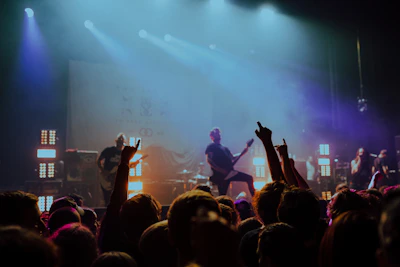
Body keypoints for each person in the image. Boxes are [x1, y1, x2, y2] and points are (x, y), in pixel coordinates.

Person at [205, 127, 255, 197]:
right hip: (220, 175)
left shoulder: (224, 148)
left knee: (249, 178)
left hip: (230, 173)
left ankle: (255, 198)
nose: (218, 134)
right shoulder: (211, 146)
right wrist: (220, 170)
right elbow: (209, 160)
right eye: (216, 133)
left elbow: (233, 158)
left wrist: (243, 151)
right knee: (222, 195)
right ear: (211, 136)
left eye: (219, 133)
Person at [97, 133, 127, 206]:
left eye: (121, 142)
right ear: (116, 142)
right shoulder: (108, 150)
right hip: (106, 177)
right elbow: (99, 161)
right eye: (119, 142)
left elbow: (127, 165)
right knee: (107, 198)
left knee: (119, 197)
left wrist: (133, 164)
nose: (120, 144)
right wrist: (103, 171)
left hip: (117, 178)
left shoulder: (124, 153)